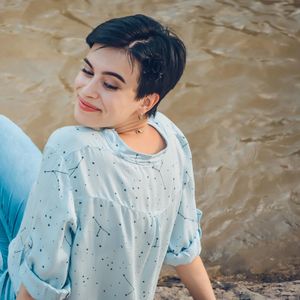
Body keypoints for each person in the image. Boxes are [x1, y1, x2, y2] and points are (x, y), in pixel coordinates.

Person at [0, 14, 215, 300]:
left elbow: (43, 282)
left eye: (110, 85)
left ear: (147, 100)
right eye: (88, 71)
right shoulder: (171, 136)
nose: (86, 91)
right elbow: (184, 247)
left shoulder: (69, 147)